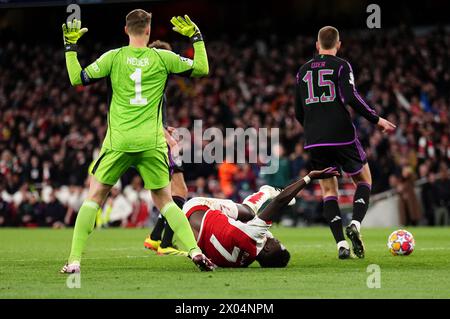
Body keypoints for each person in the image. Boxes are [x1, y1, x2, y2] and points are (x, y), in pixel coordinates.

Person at [60, 10, 214, 273]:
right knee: (166, 200)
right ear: (149, 30)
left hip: (119, 141)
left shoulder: (114, 57)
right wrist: (196, 38)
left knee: (95, 196)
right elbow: (202, 68)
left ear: (125, 29)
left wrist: (70, 47)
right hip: (151, 141)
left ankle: (74, 260)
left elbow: (77, 78)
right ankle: (195, 252)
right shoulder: (162, 58)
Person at [295, 26, 396, 259]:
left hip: (315, 139)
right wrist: (376, 119)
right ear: (338, 44)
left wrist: (313, 129)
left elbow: (298, 111)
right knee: (364, 178)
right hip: (341, 134)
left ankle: (341, 244)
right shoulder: (341, 65)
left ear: (317, 44)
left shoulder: (301, 71)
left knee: (328, 190)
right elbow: (351, 97)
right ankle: (356, 225)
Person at [182, 167, 339, 268]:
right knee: (243, 224)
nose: (275, 238)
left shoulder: (256, 237)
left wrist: (308, 178)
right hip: (185, 231)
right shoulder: (242, 263)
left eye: (276, 241)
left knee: (249, 212)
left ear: (268, 248)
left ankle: (266, 191)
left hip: (197, 207)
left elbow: (280, 201)